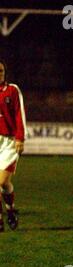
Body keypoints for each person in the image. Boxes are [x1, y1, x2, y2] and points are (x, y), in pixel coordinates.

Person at [0, 61, 26, 232]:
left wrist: (20, 138)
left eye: (1, 70)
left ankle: (7, 214)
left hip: (9, 143)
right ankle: (7, 213)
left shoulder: (12, 90)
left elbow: (19, 113)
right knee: (3, 185)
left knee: (2, 182)